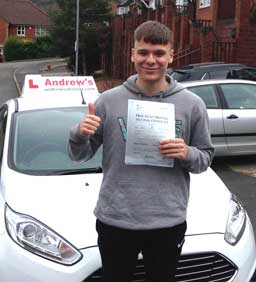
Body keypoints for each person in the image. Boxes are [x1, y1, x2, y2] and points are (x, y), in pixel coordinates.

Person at [68, 20, 214, 282]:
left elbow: (204, 159)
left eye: (159, 53)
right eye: (144, 52)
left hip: (167, 221)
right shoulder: (109, 100)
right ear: (132, 54)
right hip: (115, 219)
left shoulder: (192, 104)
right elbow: (79, 155)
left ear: (171, 56)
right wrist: (79, 133)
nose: (151, 60)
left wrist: (186, 153)